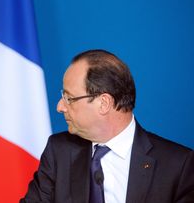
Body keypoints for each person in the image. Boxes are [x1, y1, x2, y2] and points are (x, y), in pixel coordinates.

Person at [21, 49, 194, 203]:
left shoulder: (178, 166)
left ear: (104, 103)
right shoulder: (59, 151)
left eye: (69, 98)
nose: (60, 106)